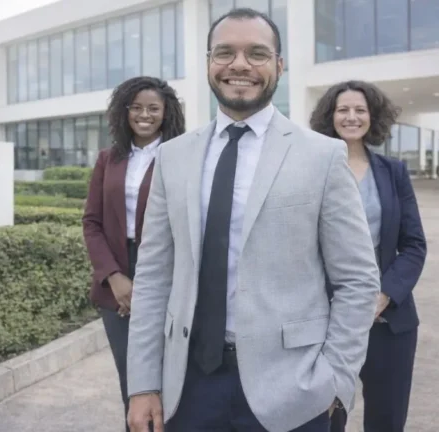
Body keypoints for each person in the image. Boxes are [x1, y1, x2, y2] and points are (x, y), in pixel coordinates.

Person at [125, 7, 381, 432]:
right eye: (225, 52)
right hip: (187, 388)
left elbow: (357, 279)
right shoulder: (173, 157)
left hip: (292, 392)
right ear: (209, 63)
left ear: (279, 65)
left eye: (257, 53)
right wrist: (143, 383)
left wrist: (335, 379)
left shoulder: (321, 156)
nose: (239, 64)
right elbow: (153, 277)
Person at [310, 80, 427, 432]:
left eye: (360, 110)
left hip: (388, 321)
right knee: (325, 418)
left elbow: (414, 245)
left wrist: (384, 294)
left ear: (371, 117)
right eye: (343, 110)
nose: (351, 117)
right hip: (326, 320)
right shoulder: (313, 170)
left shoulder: (393, 173)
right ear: (330, 117)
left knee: (386, 421)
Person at [82, 76, 186, 432]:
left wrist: (149, 284)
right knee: (134, 385)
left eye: (153, 108)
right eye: (136, 107)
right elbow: (92, 223)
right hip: (115, 279)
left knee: (173, 380)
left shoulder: (181, 155)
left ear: (166, 112)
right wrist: (114, 278)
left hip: (169, 275)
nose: (145, 115)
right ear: (124, 112)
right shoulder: (108, 159)